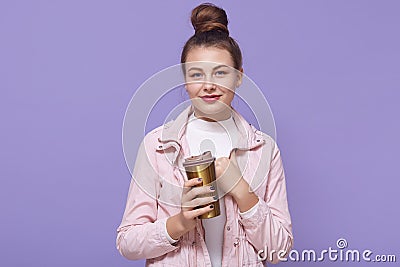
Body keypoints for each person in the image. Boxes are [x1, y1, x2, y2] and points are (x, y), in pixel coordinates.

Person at [116, 3, 293, 266]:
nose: (208, 85)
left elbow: (279, 251)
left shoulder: (263, 149)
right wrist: (180, 222)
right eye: (197, 74)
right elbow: (127, 243)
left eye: (221, 73)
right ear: (185, 80)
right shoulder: (157, 146)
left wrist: (243, 193)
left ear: (239, 77)